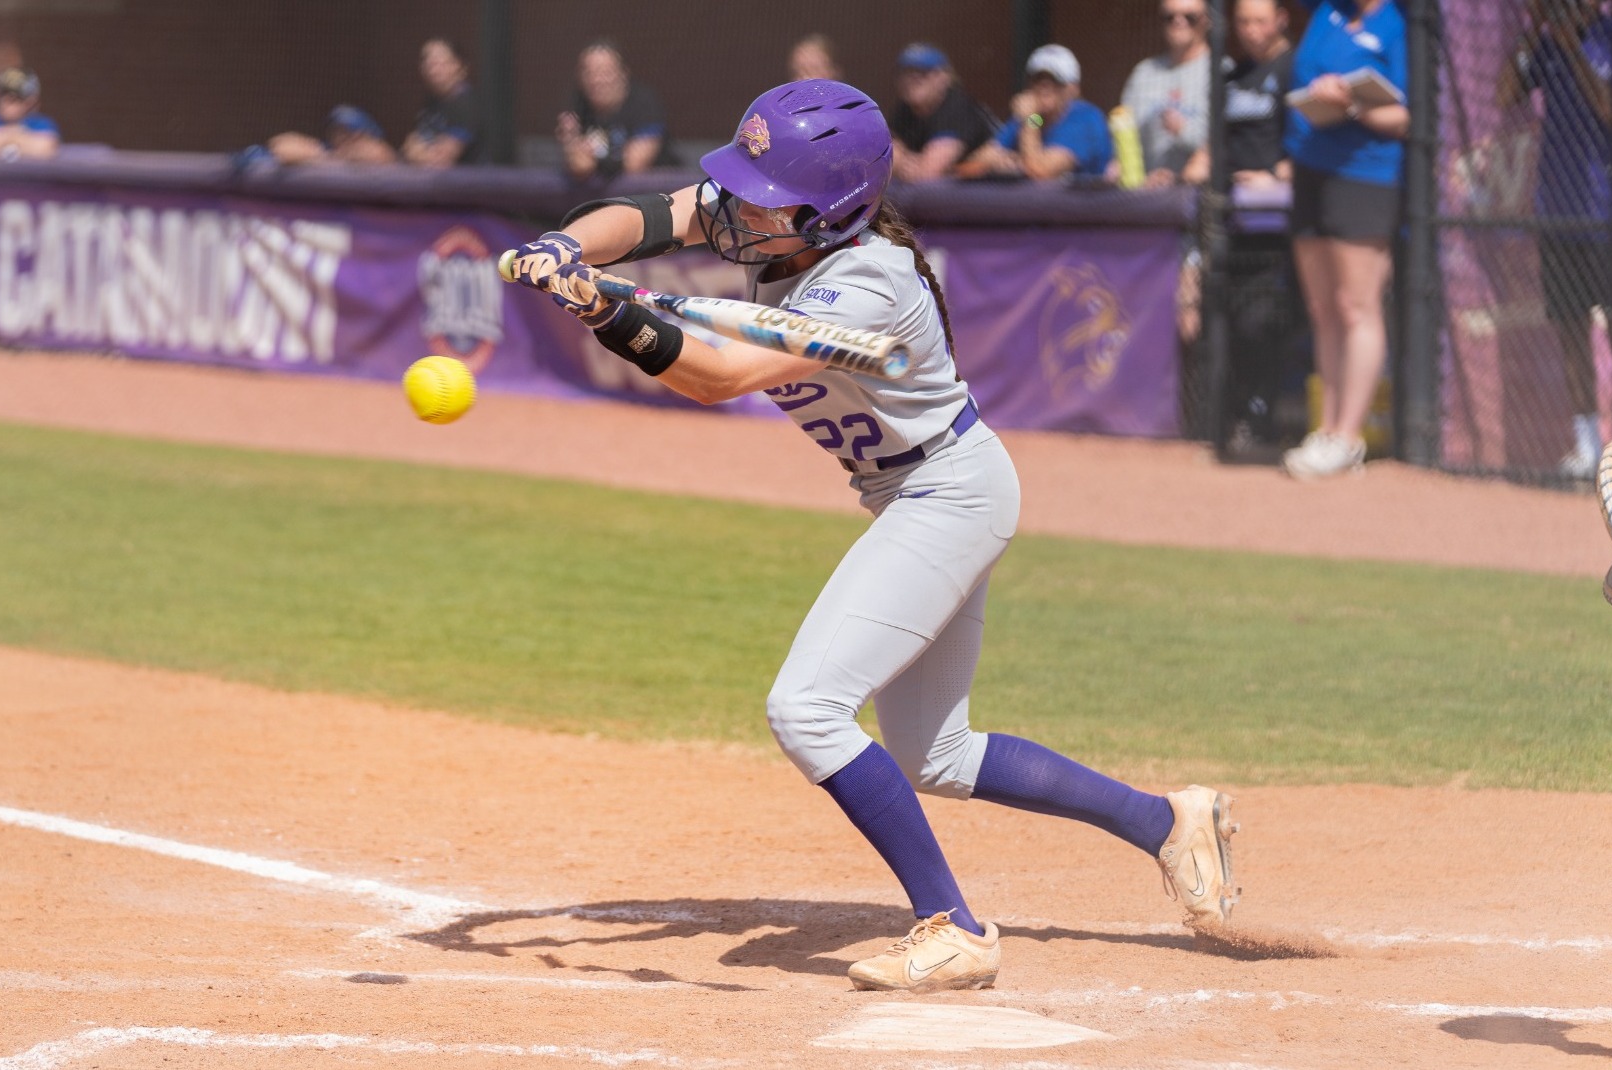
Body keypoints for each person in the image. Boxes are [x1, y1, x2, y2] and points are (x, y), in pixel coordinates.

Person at [501, 79, 1240, 993]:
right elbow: (653, 213)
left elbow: (720, 377)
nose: (734, 212)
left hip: (947, 493)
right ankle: (1166, 822)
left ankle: (953, 929)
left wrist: (604, 311)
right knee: (934, 754)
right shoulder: (776, 219)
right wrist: (565, 246)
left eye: (762, 201)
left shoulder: (865, 287)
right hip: (912, 491)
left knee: (806, 709)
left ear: (827, 214)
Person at [1279, 0, 1409, 479]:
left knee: (1357, 306)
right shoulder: (1326, 14)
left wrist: (1350, 104)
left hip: (1366, 176)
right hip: (1311, 167)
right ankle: (1327, 430)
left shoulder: (1396, 25)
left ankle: (1348, 437)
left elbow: (1407, 117)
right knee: (1322, 308)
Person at [1497, 0, 1612, 480]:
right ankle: (1587, 445)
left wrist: (1574, 47)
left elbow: (1611, 109)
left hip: (1609, 212)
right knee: (1570, 330)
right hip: (1557, 210)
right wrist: (1534, 33)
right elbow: (1504, 95)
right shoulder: (1545, 41)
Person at [1185, 0, 1300, 457]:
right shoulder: (1230, 77)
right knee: (1226, 325)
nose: (1251, 30)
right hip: (1232, 226)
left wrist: (1277, 178)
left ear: (1280, 21)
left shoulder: (1293, 70)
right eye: (1243, 21)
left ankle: (1265, 419)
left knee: (1263, 325)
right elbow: (1218, 144)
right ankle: (1233, 421)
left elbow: (1308, 142)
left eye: (1260, 20)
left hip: (1280, 230)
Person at [955, 45, 1112, 181]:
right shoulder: (1032, 118)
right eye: (1038, 79)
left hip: (1090, 212)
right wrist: (997, 163)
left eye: (1055, 80)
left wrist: (1030, 121)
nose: (1044, 86)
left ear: (1072, 89)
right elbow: (970, 166)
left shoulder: (1085, 119)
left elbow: (1039, 171)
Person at [1119, 0, 1212, 186]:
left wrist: (1182, 130)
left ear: (1207, 21)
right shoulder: (1144, 73)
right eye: (1170, 17)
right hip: (1148, 196)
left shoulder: (1222, 72)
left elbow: (1228, 145)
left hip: (1200, 198)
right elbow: (1125, 137)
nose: (1178, 22)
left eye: (1189, 17)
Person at [556, 41, 674, 181]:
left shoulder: (644, 103)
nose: (597, 80)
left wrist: (592, 159)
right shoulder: (578, 105)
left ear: (623, 73)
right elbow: (580, 166)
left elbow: (635, 164)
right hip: (600, 198)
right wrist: (572, 147)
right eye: (589, 73)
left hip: (655, 192)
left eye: (605, 72)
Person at [888, 43, 998, 182]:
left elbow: (927, 172)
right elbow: (883, 157)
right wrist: (902, 162)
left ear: (944, 78)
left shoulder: (958, 107)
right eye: (906, 72)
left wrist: (903, 159)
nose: (913, 79)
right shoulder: (904, 109)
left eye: (923, 73)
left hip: (1002, 191)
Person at [404, 38, 485, 168]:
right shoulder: (431, 102)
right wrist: (418, 152)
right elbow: (409, 146)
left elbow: (440, 160)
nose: (433, 69)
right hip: (432, 183)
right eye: (428, 62)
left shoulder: (467, 104)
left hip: (468, 185)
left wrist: (419, 153)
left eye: (440, 62)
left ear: (458, 65)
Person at [268, 105, 395, 166]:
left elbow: (382, 155)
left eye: (349, 131)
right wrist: (323, 155)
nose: (341, 137)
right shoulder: (325, 150)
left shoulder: (381, 153)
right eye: (337, 131)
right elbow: (279, 146)